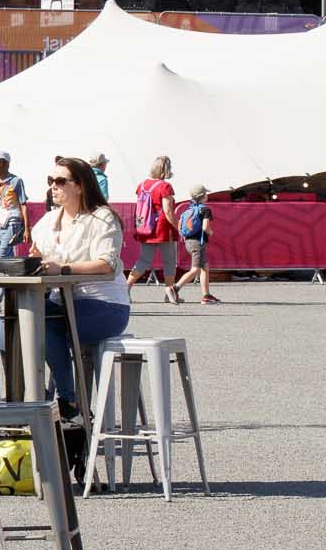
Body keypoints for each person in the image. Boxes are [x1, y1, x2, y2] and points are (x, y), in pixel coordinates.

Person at [31, 155, 131, 405]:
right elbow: (36, 255)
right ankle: (31, 400)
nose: (53, 186)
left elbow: (106, 264)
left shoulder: (102, 218)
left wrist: (62, 268)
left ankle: (67, 401)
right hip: (62, 301)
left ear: (80, 186)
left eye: (60, 181)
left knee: (44, 323)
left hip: (104, 304)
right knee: (12, 324)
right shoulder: (47, 222)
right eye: (50, 180)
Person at [130, 158, 182, 297]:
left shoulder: (142, 185)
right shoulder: (165, 186)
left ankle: (125, 288)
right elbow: (168, 211)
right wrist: (179, 227)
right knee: (169, 262)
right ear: (166, 169)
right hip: (163, 229)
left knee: (143, 260)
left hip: (145, 227)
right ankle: (170, 293)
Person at [171, 189, 219, 305]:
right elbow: (205, 227)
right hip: (198, 243)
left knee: (204, 267)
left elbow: (181, 226)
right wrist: (211, 232)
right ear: (203, 196)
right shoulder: (205, 210)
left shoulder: (188, 210)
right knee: (195, 269)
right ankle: (175, 288)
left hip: (189, 242)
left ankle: (206, 295)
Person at [0, 152, 31, 261]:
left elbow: (23, 205)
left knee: (0, 259)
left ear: (6, 164)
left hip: (12, 222)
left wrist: (27, 229)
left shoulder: (16, 181)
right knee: (7, 260)